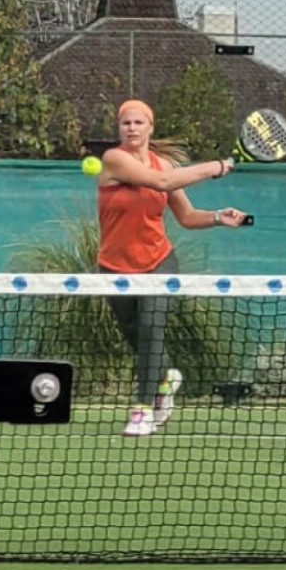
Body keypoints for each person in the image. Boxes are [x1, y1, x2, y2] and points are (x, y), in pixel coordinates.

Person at [93, 98, 247, 437]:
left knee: (151, 328)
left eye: (138, 122)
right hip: (114, 267)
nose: (132, 128)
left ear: (150, 127)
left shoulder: (162, 164)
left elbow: (187, 217)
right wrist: (217, 166)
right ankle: (165, 380)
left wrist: (218, 217)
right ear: (119, 128)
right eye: (126, 123)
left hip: (158, 262)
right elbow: (162, 182)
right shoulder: (114, 159)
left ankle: (143, 411)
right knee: (137, 338)